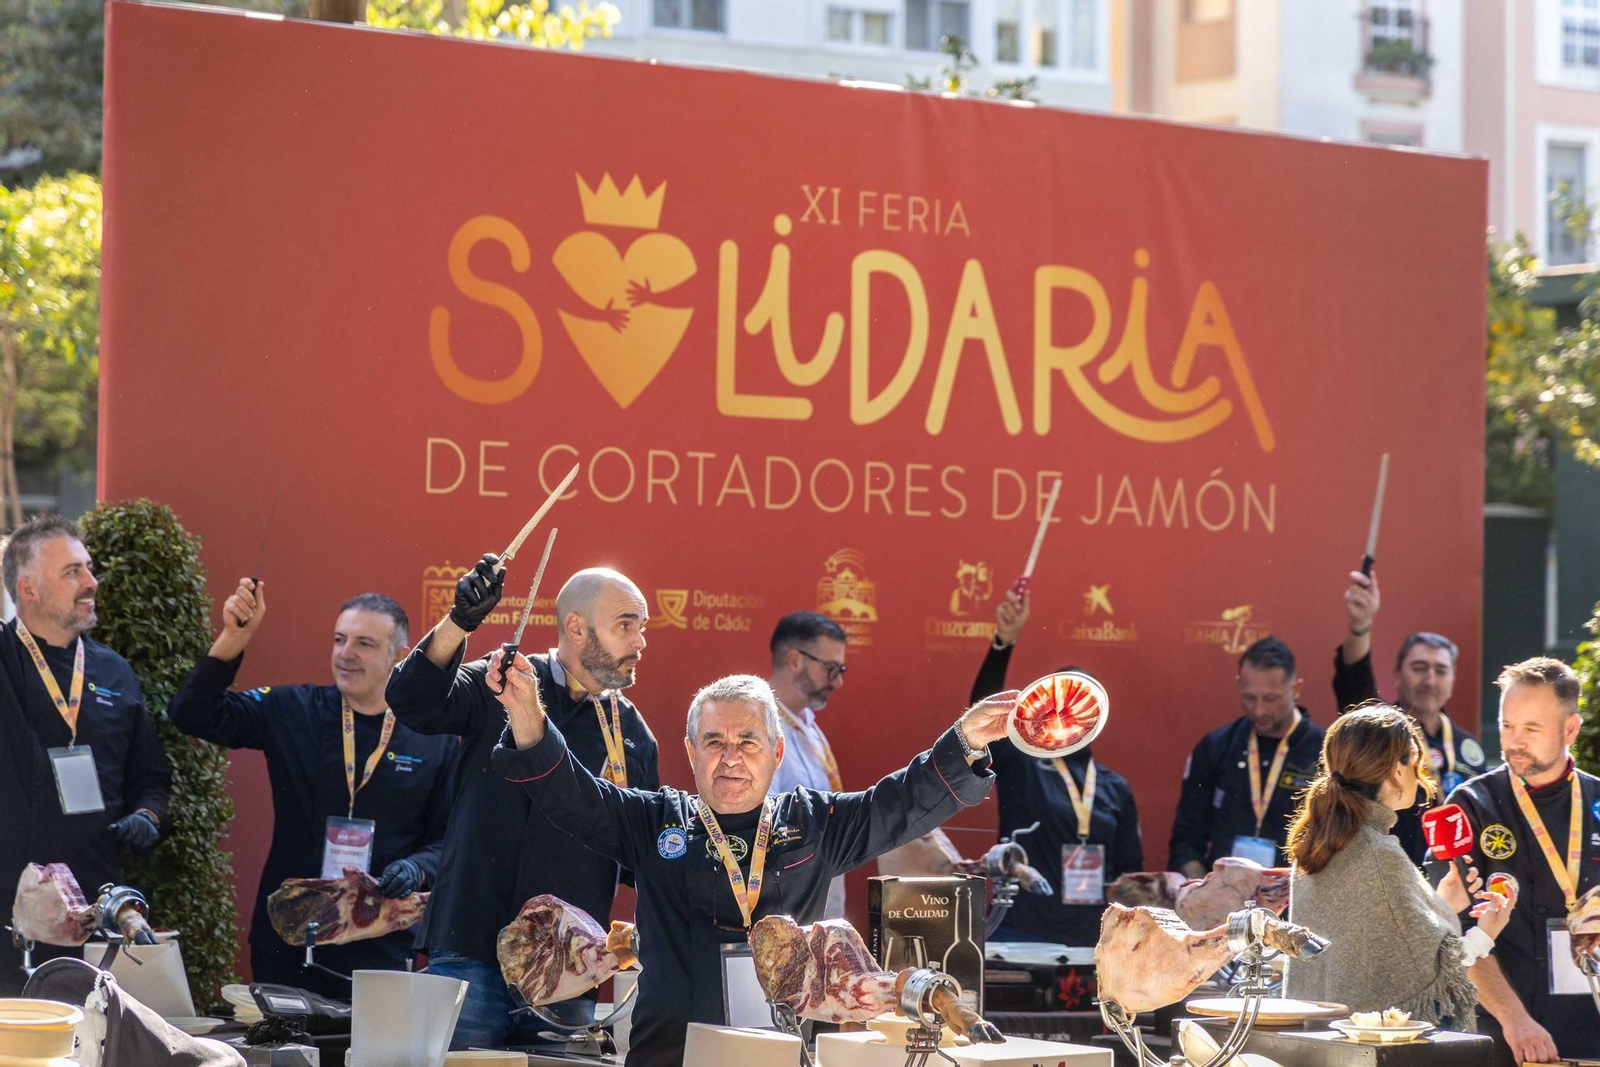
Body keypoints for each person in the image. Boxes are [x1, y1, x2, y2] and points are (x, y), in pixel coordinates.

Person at [489, 663, 1005, 1067]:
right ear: (691, 752)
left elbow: (899, 804)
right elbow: (572, 795)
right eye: (714, 741)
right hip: (671, 1057)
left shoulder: (813, 823)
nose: (730, 756)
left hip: (778, 1056)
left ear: (777, 752)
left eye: (747, 742)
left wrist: (968, 741)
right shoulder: (654, 822)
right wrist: (527, 714)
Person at [385, 557, 660, 1049]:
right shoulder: (505, 680)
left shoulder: (634, 735)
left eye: (641, 628)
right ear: (576, 627)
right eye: (626, 626)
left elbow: (644, 858)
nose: (640, 643)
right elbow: (412, 701)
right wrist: (459, 622)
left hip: (566, 973)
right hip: (470, 949)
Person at [166, 581, 457, 998]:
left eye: (364, 644)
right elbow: (193, 714)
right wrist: (234, 637)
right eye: (339, 640)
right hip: (290, 941)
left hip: (381, 950)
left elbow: (448, 837)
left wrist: (417, 868)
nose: (346, 654)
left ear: (400, 655)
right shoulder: (294, 709)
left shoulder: (433, 735)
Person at [0, 516, 172, 995]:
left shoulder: (113, 671)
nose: (92, 582)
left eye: (89, 569)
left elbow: (151, 776)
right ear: (28, 589)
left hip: (97, 919)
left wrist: (146, 816)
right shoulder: (5, 656)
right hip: (10, 928)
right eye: (73, 571)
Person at [1283, 705, 1513, 1028]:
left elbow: (1390, 944)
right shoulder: (1378, 854)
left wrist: (1440, 904)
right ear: (1397, 768)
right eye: (1416, 761)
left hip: (1319, 1047)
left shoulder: (1318, 846)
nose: (1421, 774)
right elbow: (1436, 971)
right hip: (1373, 1052)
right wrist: (1488, 931)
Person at [1445, 657, 1599, 1065]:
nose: (1514, 741)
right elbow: (1448, 931)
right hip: (1501, 1036)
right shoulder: (1469, 805)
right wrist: (1515, 1020)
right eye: (1507, 725)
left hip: (1591, 1032)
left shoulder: (1598, 800)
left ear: (1570, 729)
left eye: (1531, 728)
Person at [970, 589, 1142, 946]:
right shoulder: (1023, 761)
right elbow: (981, 712)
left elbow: (1129, 876)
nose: (1068, 715)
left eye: (1080, 706)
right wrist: (1003, 642)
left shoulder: (1114, 787)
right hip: (1021, 930)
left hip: (1089, 940)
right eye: (1058, 705)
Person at [1336, 569, 1485, 863]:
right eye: (1419, 668)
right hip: (1388, 876)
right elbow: (1353, 680)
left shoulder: (1470, 749)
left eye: (1440, 671)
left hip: (1452, 886)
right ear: (1397, 674)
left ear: (1453, 681)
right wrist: (1360, 625)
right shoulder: (1378, 734)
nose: (1429, 680)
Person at [1169, 637, 1325, 877]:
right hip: (1224, 906)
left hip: (1296, 903)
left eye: (1270, 699)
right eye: (1249, 698)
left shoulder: (1324, 754)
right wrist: (1202, 890)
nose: (1259, 710)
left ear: (1296, 690)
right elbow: (1186, 838)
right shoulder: (1216, 747)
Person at [765, 611, 849, 920]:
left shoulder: (808, 725)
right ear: (794, 661)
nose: (837, 681)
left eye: (841, 669)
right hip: (787, 913)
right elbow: (760, 824)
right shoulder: (761, 726)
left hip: (819, 909)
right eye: (830, 668)